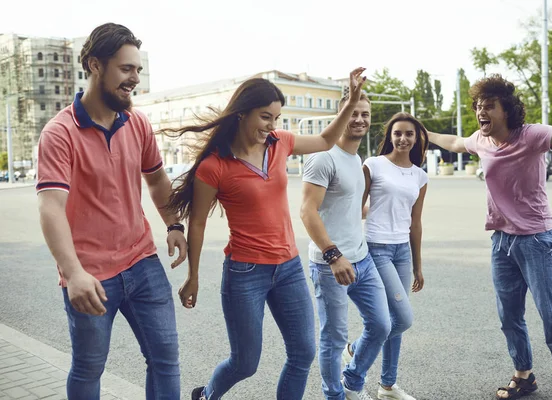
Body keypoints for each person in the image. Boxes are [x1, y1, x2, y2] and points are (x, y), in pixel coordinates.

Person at [165, 68, 367, 400]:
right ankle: (205, 396)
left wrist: (351, 101)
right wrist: (194, 275)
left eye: (275, 117)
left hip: (288, 268)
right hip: (245, 272)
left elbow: (326, 140)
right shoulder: (213, 166)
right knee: (245, 363)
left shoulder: (280, 143)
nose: (271, 125)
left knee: (303, 353)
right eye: (264, 117)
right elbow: (197, 224)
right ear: (242, 113)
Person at [36, 23, 185, 399]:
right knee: (89, 368)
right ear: (95, 65)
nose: (135, 78)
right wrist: (73, 274)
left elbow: (156, 179)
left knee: (165, 358)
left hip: (142, 261)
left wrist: (174, 223)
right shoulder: (59, 133)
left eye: (138, 69)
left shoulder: (137, 122)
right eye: (126, 69)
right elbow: (51, 207)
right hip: (90, 276)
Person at [428, 74, 552, 400]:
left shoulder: (531, 135)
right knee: (509, 316)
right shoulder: (481, 139)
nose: (481, 111)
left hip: (536, 240)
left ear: (506, 109)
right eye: (478, 106)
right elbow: (454, 142)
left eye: (488, 106)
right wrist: (424, 132)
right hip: (501, 241)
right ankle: (524, 375)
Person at [301, 92, 391, 400]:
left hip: (362, 259)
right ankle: (334, 395)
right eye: (353, 112)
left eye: (365, 114)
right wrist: (333, 254)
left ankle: (352, 381)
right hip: (330, 265)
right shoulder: (323, 157)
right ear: (340, 116)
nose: (359, 119)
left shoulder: (355, 160)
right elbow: (307, 211)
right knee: (334, 339)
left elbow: (350, 207)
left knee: (381, 325)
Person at [347, 112, 429, 400]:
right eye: (398, 133)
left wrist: (418, 265)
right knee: (403, 318)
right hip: (376, 248)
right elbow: (355, 207)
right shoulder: (374, 165)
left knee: (396, 321)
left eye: (409, 133)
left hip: (402, 252)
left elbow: (415, 222)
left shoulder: (420, 175)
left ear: (416, 138)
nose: (403, 138)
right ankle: (357, 349)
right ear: (390, 136)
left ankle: (388, 386)